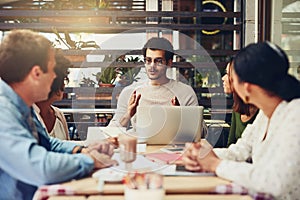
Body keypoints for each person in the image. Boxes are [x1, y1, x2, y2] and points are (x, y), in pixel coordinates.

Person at [0, 29, 117, 200]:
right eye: (52, 69)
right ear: (36, 74)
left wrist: (82, 150)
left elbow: (47, 143)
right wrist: (90, 160)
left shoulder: (22, 103)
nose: (55, 76)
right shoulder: (3, 110)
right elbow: (41, 169)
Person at [182, 41, 300, 199]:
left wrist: (216, 164)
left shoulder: (295, 115)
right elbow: (239, 151)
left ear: (247, 88)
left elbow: (276, 181)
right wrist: (201, 155)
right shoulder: (266, 115)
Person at [108, 37, 199, 129]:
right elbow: (111, 131)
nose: (152, 66)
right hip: (140, 142)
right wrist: (128, 114)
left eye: (158, 61)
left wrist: (180, 116)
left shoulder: (186, 92)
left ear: (169, 63)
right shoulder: (130, 92)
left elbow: (201, 132)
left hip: (173, 143)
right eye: (148, 60)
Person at [34, 49, 71, 140]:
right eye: (63, 79)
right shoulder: (27, 116)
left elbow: (66, 146)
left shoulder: (59, 115)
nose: (64, 84)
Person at [221, 59, 258, 147]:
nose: (223, 78)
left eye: (228, 74)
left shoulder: (262, 113)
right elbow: (230, 145)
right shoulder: (237, 108)